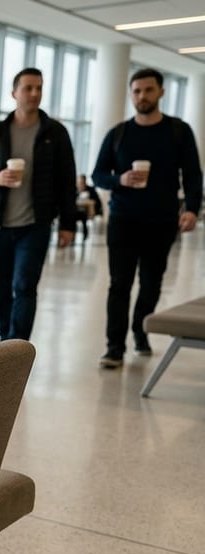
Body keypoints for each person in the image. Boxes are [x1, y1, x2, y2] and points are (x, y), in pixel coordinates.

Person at [92, 68, 201, 369]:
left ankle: (140, 330)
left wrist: (191, 208)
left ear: (161, 92)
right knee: (119, 284)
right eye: (137, 91)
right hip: (123, 221)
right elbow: (98, 174)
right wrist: (120, 180)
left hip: (162, 221)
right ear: (131, 94)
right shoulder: (119, 134)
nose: (142, 96)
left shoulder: (179, 131)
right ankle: (114, 347)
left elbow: (193, 175)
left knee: (151, 283)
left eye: (148, 90)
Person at [0, 67, 77, 342]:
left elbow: (67, 180)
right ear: (14, 93)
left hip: (35, 224)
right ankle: (5, 341)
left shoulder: (55, 132)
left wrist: (68, 224)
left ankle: (17, 347)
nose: (34, 94)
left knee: (24, 286)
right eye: (28, 88)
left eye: (39, 88)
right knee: (1, 289)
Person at [75, 174, 102, 242]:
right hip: (75, 211)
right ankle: (72, 235)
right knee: (72, 217)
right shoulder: (74, 189)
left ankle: (85, 234)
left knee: (83, 217)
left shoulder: (90, 190)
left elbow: (97, 201)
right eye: (79, 182)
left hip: (86, 212)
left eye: (82, 182)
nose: (80, 184)